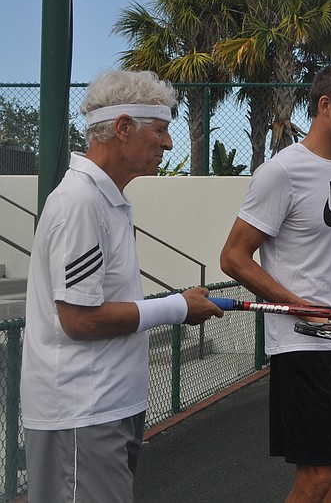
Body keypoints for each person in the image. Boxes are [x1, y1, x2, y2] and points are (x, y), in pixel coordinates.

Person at [21, 69, 224, 503]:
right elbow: (78, 320)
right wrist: (178, 307)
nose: (168, 144)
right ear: (123, 128)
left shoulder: (108, 198)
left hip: (110, 410)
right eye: (161, 130)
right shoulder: (79, 202)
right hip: (81, 414)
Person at [219, 64, 331, 503]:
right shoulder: (280, 172)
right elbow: (233, 257)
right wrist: (296, 304)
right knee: (316, 478)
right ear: (324, 105)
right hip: (305, 346)